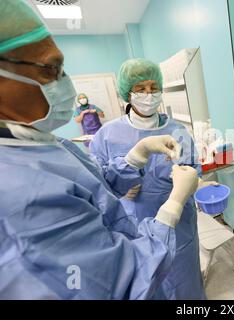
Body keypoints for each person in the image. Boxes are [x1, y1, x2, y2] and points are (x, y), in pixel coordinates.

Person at [0, 0, 199, 300]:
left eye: (152, 88)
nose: (63, 80)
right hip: (143, 236)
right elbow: (124, 280)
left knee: (185, 288)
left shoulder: (48, 147)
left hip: (171, 236)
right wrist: (171, 202)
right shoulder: (21, 192)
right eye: (53, 68)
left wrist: (136, 156)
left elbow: (100, 185)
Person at [90, 58, 212, 300]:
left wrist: (190, 184)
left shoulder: (178, 132)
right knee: (149, 285)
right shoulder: (106, 136)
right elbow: (97, 187)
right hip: (135, 226)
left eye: (154, 88)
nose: (148, 94)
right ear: (127, 92)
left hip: (180, 228)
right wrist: (118, 190)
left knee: (185, 287)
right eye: (140, 88)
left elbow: (192, 171)